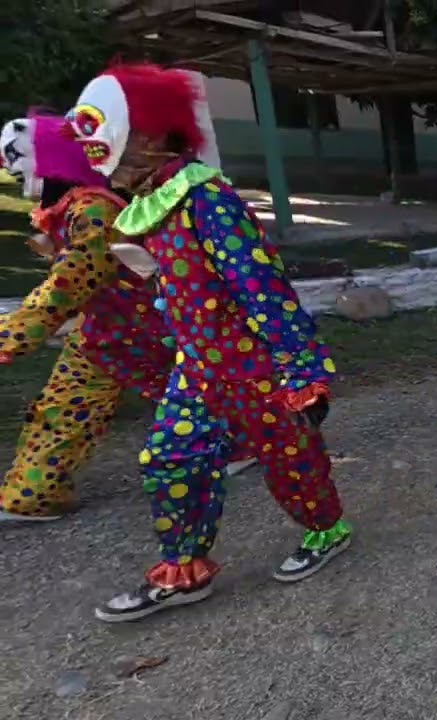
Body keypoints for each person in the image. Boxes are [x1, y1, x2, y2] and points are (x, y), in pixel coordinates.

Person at [70, 63, 350, 621]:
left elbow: (261, 284)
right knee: (168, 459)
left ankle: (327, 530)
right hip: (196, 368)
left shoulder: (206, 198)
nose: (105, 166)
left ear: (148, 135)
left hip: (254, 368)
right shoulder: (154, 204)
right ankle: (183, 568)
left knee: (290, 460)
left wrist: (302, 371)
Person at [0, 112, 170, 522]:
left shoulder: (94, 211)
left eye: (18, 158)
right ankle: (32, 495)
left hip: (142, 330)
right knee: (62, 407)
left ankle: (254, 440)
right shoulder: (74, 208)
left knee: (199, 396)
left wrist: (10, 337)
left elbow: (69, 284)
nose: (12, 170)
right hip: (104, 331)